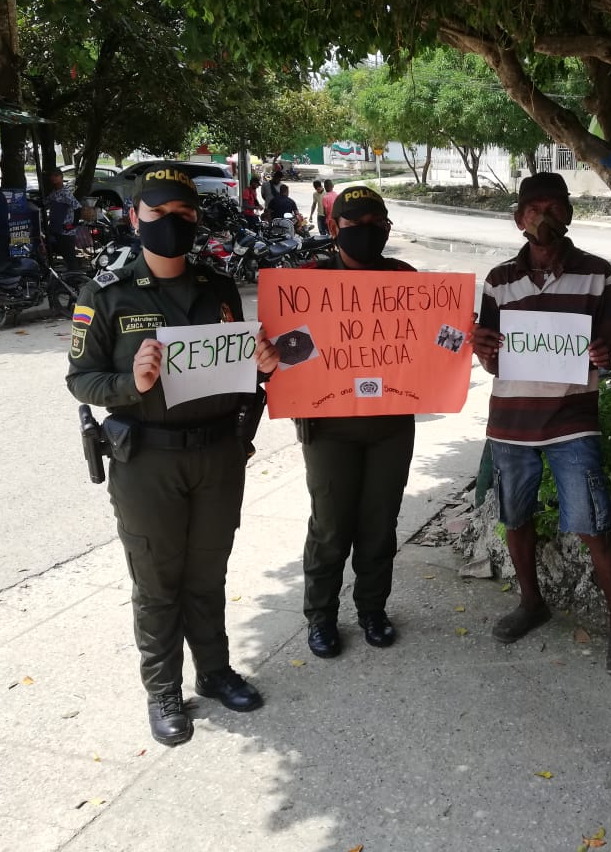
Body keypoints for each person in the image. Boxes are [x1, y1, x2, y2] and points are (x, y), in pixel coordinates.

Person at [65, 164, 280, 746]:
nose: (173, 224)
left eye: (184, 215)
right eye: (160, 214)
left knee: (208, 574)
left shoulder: (215, 287)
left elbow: (238, 374)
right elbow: (81, 380)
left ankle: (213, 672)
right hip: (146, 461)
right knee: (158, 580)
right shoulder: (106, 295)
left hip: (217, 454)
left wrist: (261, 369)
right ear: (136, 218)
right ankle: (163, 689)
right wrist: (130, 383)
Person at [469, 172, 611, 677]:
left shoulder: (598, 274)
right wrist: (485, 352)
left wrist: (606, 352)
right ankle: (531, 602)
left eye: (553, 206)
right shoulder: (499, 280)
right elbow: (492, 357)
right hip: (511, 422)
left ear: (569, 213)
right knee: (515, 518)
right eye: (532, 208)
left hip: (572, 419)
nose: (542, 216)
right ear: (518, 219)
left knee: (593, 524)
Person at [294, 186, 416, 660]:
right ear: (332, 229)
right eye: (355, 224)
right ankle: (321, 618)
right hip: (329, 427)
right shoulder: (308, 281)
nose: (367, 232)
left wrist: (457, 335)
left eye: (377, 224)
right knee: (330, 526)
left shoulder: (405, 279)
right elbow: (285, 347)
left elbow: (430, 344)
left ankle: (372, 609)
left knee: (379, 524)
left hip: (390, 425)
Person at [44, 167, 82, 270]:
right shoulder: (54, 193)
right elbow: (45, 204)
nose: (54, 178)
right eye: (52, 176)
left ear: (61, 177)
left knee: (69, 257)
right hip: (55, 229)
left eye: (56, 176)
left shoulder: (66, 193)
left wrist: (73, 225)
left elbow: (78, 208)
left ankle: (75, 279)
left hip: (66, 231)